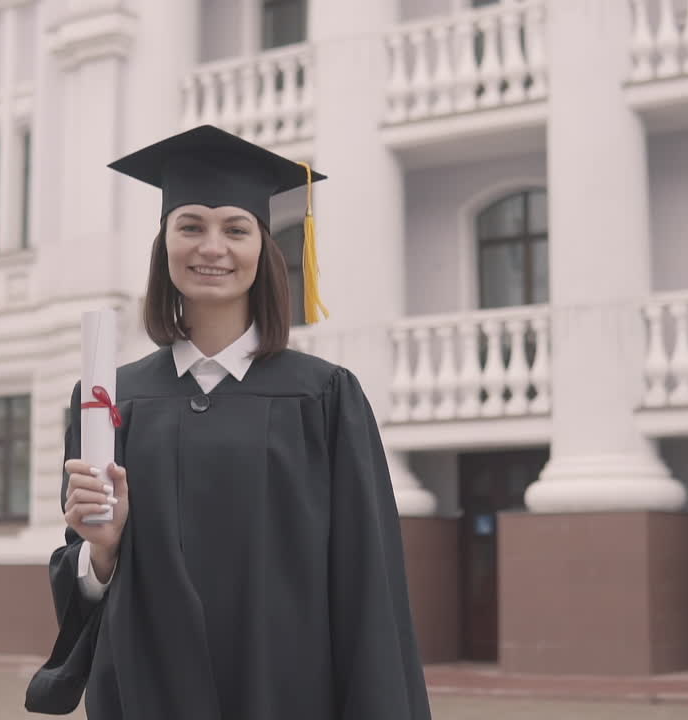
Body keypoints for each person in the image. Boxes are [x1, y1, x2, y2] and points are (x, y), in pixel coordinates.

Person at [25, 125, 432, 720]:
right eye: (190, 226)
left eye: (235, 229)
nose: (211, 247)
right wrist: (103, 551)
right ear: (164, 245)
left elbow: (368, 583)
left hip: (288, 694)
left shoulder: (323, 398)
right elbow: (83, 580)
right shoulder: (110, 398)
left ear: (263, 250)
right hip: (150, 693)